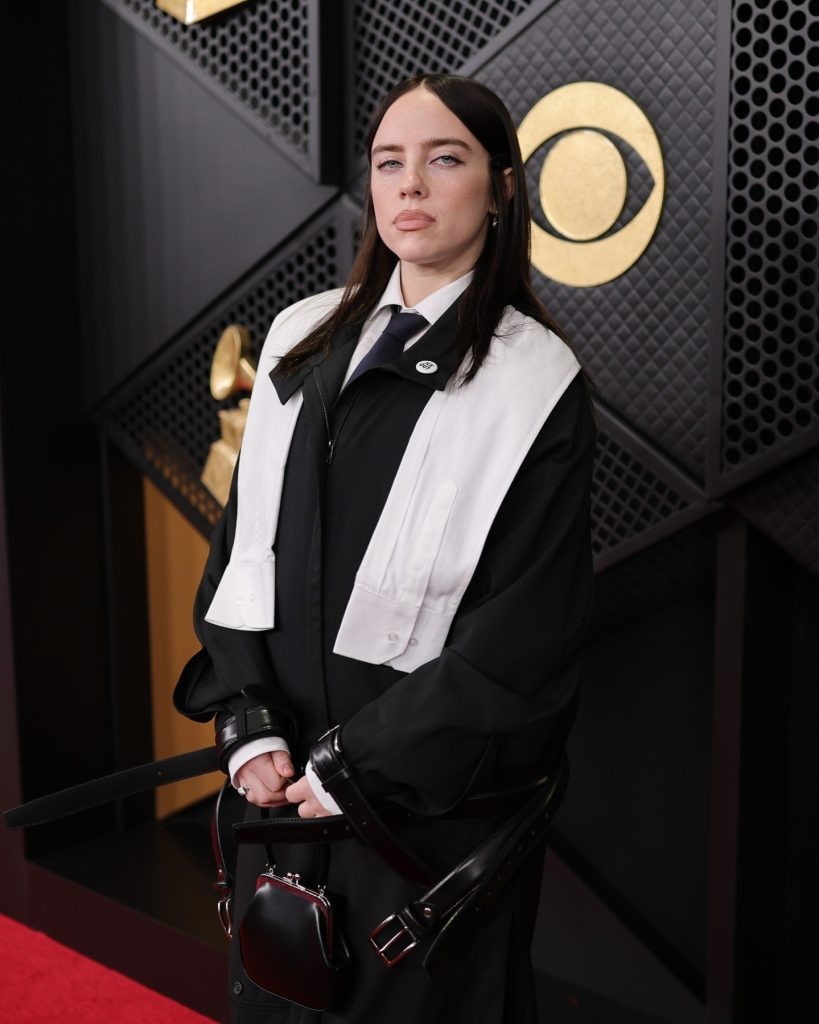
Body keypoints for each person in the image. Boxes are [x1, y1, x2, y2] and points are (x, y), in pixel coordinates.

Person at [174, 72, 597, 1024]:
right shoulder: (301, 339)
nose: (409, 184)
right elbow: (238, 557)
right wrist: (248, 722)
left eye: (444, 159)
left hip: (420, 815)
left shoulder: (534, 382)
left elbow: (525, 637)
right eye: (388, 162)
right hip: (280, 793)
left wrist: (358, 765)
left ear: (499, 187)